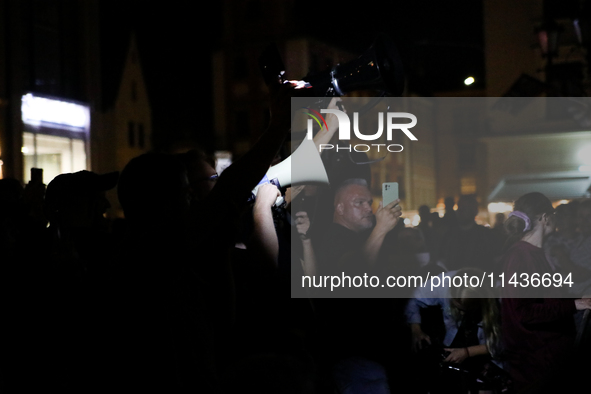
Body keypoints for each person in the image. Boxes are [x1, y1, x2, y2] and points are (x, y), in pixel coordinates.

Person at [500, 192, 591, 392]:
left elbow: (546, 301)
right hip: (537, 364)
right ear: (543, 218)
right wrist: (575, 304)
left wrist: (577, 300)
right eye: (553, 214)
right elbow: (523, 312)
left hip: (546, 360)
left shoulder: (533, 253)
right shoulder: (521, 255)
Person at [405, 268, 505, 393]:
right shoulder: (442, 283)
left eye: (465, 310)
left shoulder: (501, 298)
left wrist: (468, 352)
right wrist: (416, 328)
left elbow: (507, 344)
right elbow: (414, 299)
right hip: (454, 338)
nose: (460, 313)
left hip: (487, 353)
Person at [438, 194, 498, 272]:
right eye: (460, 208)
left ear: (474, 211)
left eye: (465, 208)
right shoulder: (448, 235)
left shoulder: (486, 235)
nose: (461, 211)